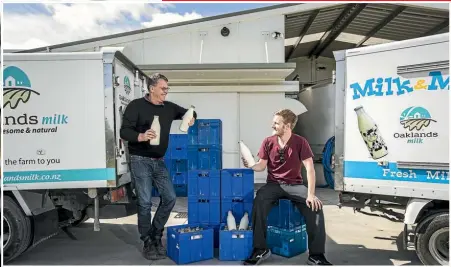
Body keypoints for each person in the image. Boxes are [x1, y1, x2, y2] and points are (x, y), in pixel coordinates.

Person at [120, 73, 197, 260]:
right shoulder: (136, 106)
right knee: (145, 202)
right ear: (152, 88)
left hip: (159, 161)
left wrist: (192, 116)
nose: (166, 92)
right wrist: (140, 136)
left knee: (170, 197)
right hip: (140, 159)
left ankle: (155, 233)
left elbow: (189, 112)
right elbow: (124, 131)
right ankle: (147, 241)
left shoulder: (169, 108)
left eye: (167, 89)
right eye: (163, 88)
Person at [242, 109, 332, 266]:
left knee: (315, 207)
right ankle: (260, 249)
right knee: (259, 201)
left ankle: (316, 255)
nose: (273, 125)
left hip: (295, 185)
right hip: (273, 184)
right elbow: (261, 166)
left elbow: (310, 169)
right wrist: (251, 165)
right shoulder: (268, 142)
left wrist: (310, 194)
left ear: (287, 126)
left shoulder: (300, 142)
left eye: (277, 123)